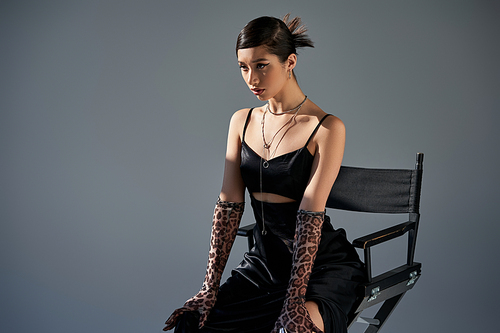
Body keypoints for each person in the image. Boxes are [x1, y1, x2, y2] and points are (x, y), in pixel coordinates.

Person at [164, 14, 366, 333]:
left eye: (261, 65)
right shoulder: (241, 121)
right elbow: (229, 206)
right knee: (192, 322)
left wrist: (295, 302)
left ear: (290, 62)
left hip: (320, 268)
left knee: (290, 330)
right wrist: (208, 288)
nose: (251, 78)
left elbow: (309, 216)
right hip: (264, 266)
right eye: (243, 67)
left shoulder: (326, 128)